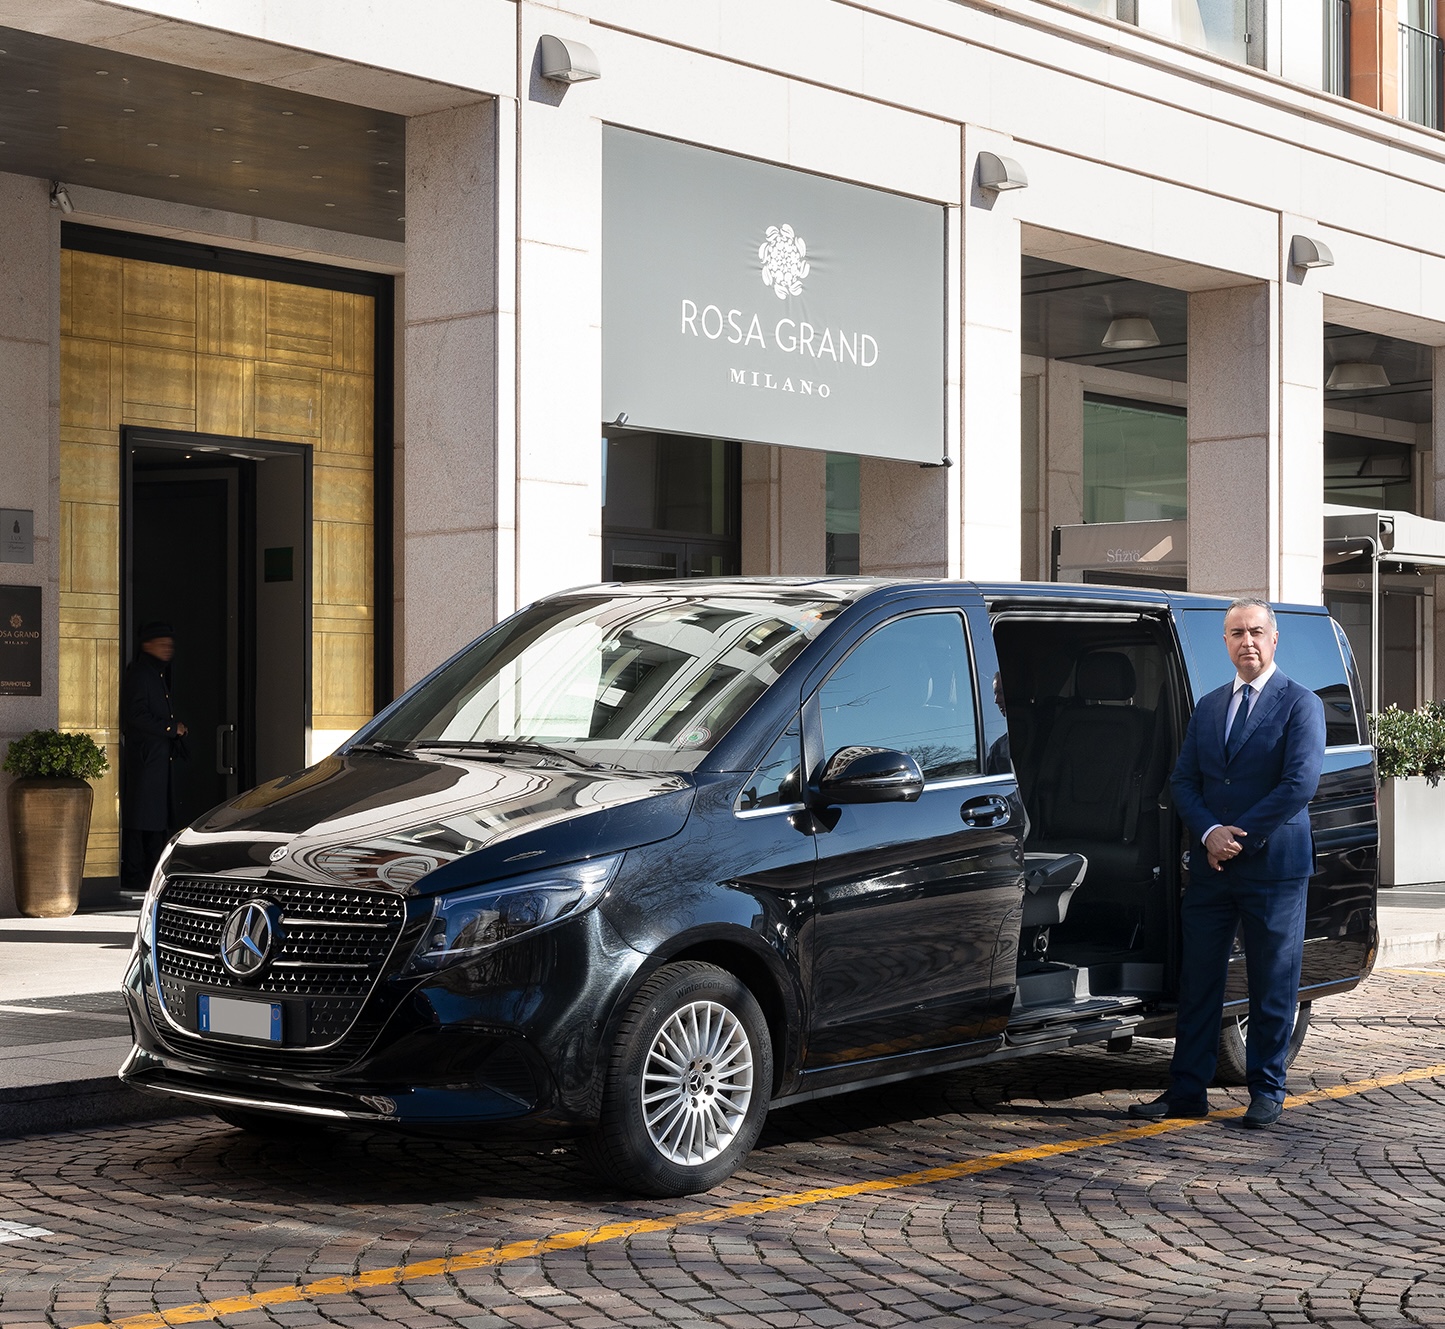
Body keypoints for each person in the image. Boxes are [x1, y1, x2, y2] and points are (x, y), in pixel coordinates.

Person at [1129, 597, 1325, 1129]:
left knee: (1271, 983)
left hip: (1274, 867)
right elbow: (1183, 781)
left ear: (1274, 637)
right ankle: (1187, 1091)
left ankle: (1267, 1090)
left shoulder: (1300, 704)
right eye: (1236, 633)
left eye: (1256, 632)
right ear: (1224, 642)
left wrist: (1240, 837)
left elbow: (1298, 785)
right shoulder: (1211, 706)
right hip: (1213, 867)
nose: (1247, 642)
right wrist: (1211, 834)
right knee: (1199, 983)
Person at [120, 621, 187, 891]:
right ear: (147, 645)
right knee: (142, 818)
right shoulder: (140, 673)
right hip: (146, 758)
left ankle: (151, 871)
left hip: (157, 758)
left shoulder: (156, 673)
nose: (168, 649)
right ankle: (136, 872)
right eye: (162, 644)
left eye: (170, 645)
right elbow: (135, 716)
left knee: (155, 817)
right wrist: (170, 729)